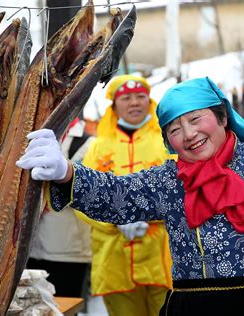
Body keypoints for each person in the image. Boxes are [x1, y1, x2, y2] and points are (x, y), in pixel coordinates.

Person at [17, 76, 244, 315]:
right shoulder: (170, 179)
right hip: (194, 306)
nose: (188, 134)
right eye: (175, 129)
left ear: (223, 117)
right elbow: (118, 196)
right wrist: (66, 172)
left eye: (196, 120)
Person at [70, 75, 173, 316]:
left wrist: (150, 217)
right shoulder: (98, 146)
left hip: (164, 260)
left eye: (140, 97)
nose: (135, 103)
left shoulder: (167, 140)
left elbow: (183, 191)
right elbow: (79, 197)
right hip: (114, 260)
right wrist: (115, 222)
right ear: (114, 105)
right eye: (126, 98)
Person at [26, 117, 93, 299]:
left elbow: (93, 191)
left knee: (65, 307)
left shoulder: (89, 143)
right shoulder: (29, 136)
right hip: (28, 250)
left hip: (69, 252)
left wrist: (48, 197)